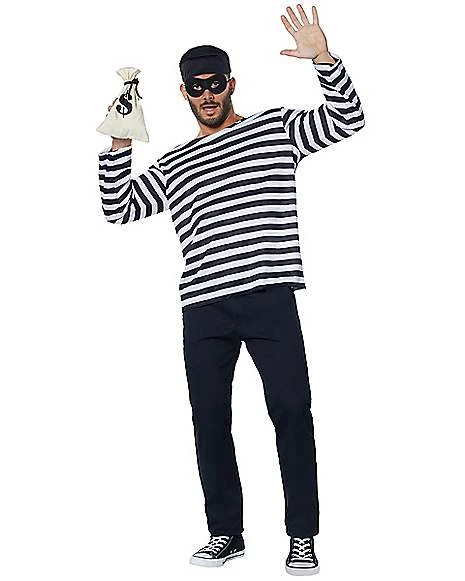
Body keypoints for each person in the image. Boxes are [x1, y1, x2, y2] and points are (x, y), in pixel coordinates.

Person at [98, 3, 364, 575]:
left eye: (215, 83)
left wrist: (323, 58)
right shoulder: (174, 165)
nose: (207, 94)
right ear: (184, 93)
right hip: (204, 308)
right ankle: (226, 533)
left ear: (230, 83)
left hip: (269, 298)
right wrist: (120, 140)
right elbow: (118, 207)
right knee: (210, 420)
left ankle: (301, 536)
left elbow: (347, 119)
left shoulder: (274, 129)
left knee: (291, 411)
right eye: (196, 87)